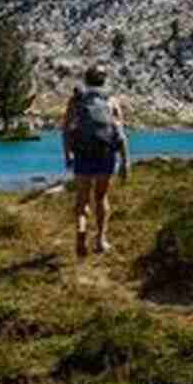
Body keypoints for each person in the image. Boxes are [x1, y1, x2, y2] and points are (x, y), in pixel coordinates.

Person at [62, 65, 129, 257]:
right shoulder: (112, 101)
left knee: (82, 200)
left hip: (83, 155)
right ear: (104, 80)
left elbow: (66, 130)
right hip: (105, 155)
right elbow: (121, 134)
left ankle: (81, 231)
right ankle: (100, 240)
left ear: (86, 80)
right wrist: (125, 161)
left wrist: (68, 154)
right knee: (101, 198)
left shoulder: (76, 100)